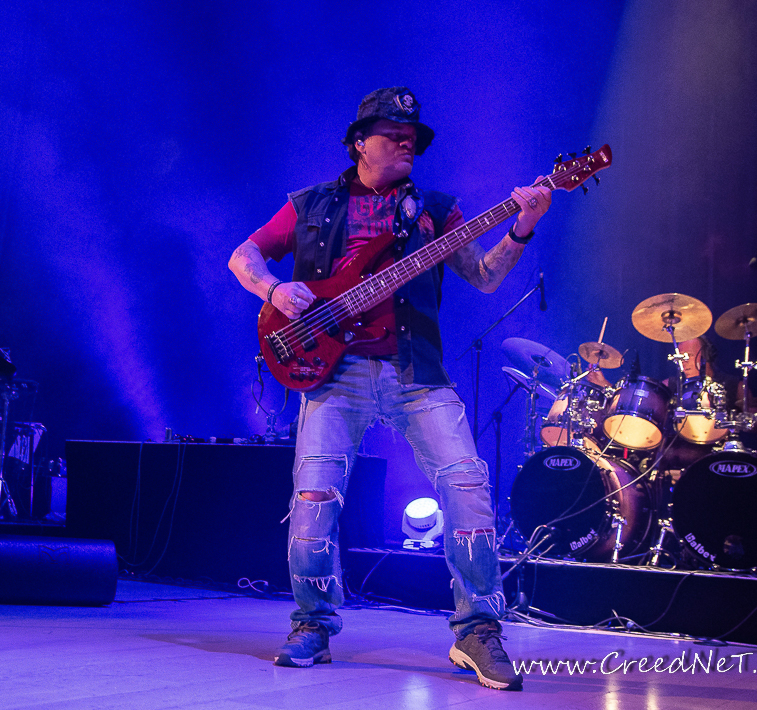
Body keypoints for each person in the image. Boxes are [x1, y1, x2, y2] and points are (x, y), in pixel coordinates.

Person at [228, 87, 550, 691]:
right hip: (333, 371)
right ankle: (312, 623)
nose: (407, 143)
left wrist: (523, 226)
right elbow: (243, 255)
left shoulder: (435, 210)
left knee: (468, 487)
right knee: (314, 498)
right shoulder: (311, 204)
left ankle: (478, 629)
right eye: (393, 134)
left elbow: (484, 277)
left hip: (414, 370)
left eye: (413, 138)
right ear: (359, 143)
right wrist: (274, 290)